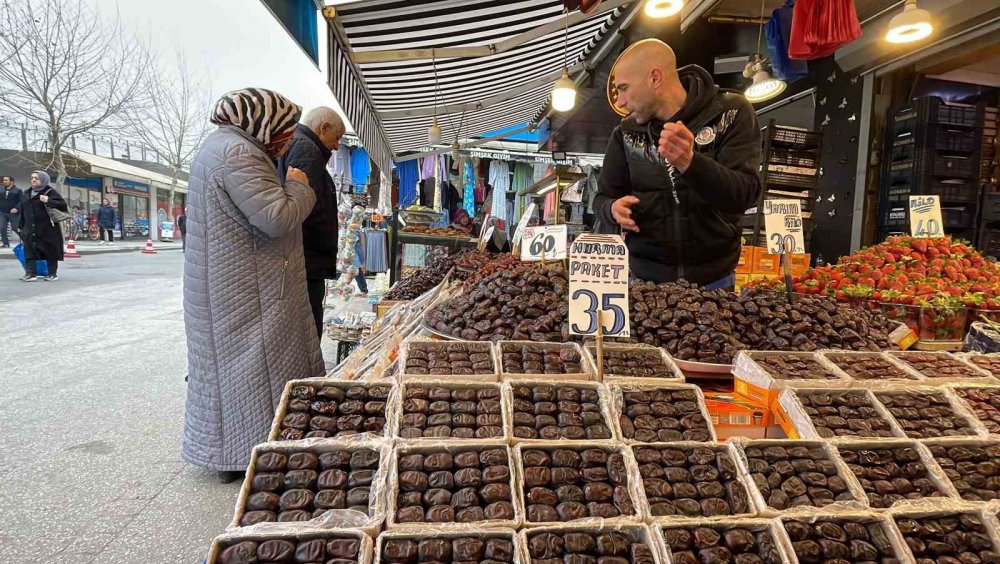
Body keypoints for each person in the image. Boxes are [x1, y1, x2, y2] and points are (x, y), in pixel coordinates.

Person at [181, 88, 323, 482]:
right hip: (243, 291)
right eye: (283, 130)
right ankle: (247, 454)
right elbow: (277, 217)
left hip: (233, 286)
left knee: (233, 373)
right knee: (250, 371)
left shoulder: (223, 148)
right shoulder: (238, 154)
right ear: (262, 124)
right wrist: (298, 185)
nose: (287, 140)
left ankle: (230, 454)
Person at [594, 39, 762, 289]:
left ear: (654, 78)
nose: (619, 101)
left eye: (624, 88)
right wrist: (612, 209)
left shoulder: (730, 112)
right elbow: (601, 198)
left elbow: (746, 195)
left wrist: (692, 164)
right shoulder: (625, 133)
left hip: (714, 282)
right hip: (644, 282)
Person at [278, 107, 345, 337]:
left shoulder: (300, 146)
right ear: (323, 128)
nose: (337, 146)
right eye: (336, 138)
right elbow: (302, 207)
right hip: (306, 262)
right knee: (306, 331)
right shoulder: (307, 150)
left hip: (304, 260)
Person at [17, 170, 68, 281]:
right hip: (30, 227)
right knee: (29, 250)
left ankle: (52, 273)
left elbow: (63, 206)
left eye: (37, 178)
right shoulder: (26, 192)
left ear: (44, 180)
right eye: (32, 178)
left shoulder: (49, 192)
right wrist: (20, 225)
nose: (33, 180)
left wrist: (48, 200)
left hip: (47, 228)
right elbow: (23, 210)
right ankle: (31, 273)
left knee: (50, 250)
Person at [0, 175, 22, 248]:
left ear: (11, 181)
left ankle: (27, 241)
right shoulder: (1, 190)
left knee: (15, 228)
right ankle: (5, 243)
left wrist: (16, 208)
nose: (4, 182)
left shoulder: (18, 190)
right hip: (3, 213)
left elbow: (21, 201)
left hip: (14, 213)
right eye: (3, 180)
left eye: (6, 180)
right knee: (2, 228)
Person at [354, 228, 367, 295]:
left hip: (356, 252)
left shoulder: (359, 229)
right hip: (345, 251)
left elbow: (363, 243)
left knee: (358, 271)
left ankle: (363, 290)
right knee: (341, 268)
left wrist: (364, 259)